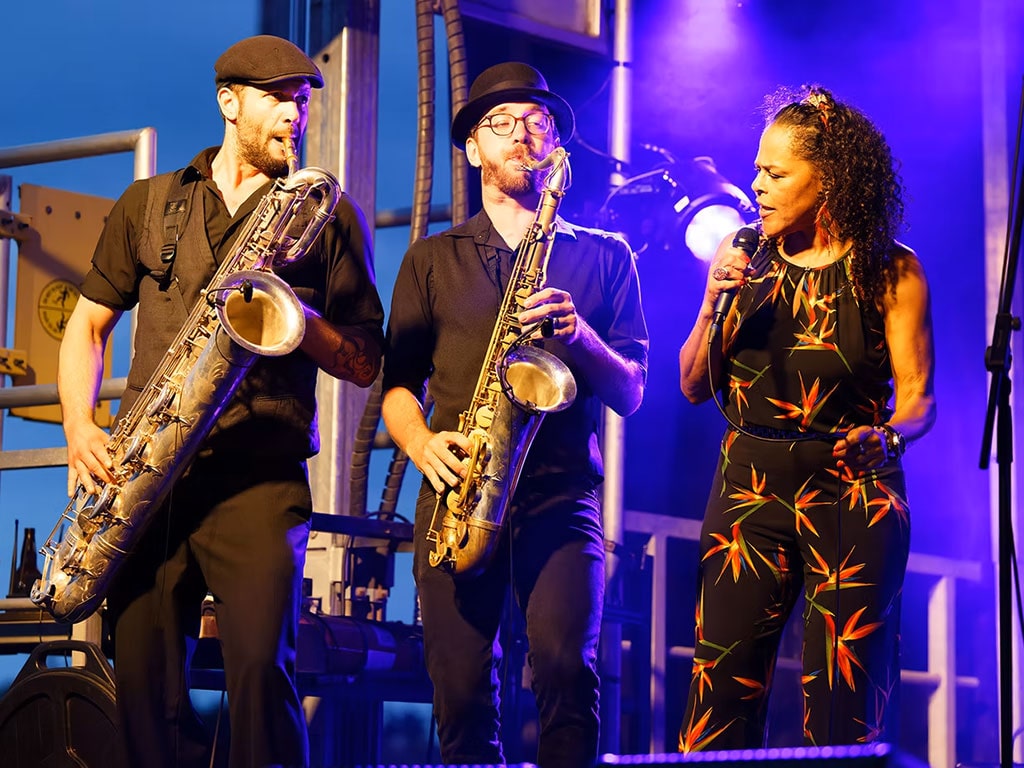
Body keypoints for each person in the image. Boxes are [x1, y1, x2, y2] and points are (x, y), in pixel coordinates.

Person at [57, 35, 385, 768]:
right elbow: (86, 327)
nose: (294, 114)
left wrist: (296, 321)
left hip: (259, 481)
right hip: (148, 479)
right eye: (277, 98)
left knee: (262, 675)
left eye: (302, 100)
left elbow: (366, 363)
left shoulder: (327, 215)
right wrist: (80, 426)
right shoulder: (148, 204)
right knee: (145, 691)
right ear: (229, 103)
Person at [381, 61, 648, 767]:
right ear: (473, 149)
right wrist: (422, 444)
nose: (522, 134)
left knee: (566, 673)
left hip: (562, 499)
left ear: (555, 144)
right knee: (462, 697)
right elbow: (396, 387)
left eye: (538, 121)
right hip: (458, 494)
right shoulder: (431, 259)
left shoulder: (607, 257)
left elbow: (631, 392)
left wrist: (579, 336)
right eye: (501, 123)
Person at [676, 85, 935, 749]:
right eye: (757, 170)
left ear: (829, 181)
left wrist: (889, 436)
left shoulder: (889, 270)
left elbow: (919, 398)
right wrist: (711, 302)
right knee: (719, 690)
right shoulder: (743, 253)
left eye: (776, 173)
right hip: (747, 490)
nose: (756, 186)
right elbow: (693, 385)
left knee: (845, 703)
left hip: (851, 492)